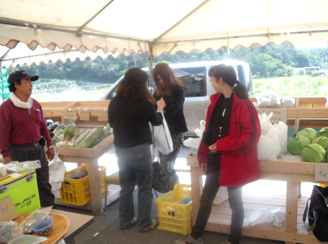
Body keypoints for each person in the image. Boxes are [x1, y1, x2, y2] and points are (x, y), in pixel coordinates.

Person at [176, 64, 261, 244]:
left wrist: (222, 145)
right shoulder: (215, 103)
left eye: (212, 80)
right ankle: (196, 236)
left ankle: (234, 240)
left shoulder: (244, 105)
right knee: (206, 198)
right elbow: (208, 132)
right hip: (216, 160)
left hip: (233, 162)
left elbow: (251, 136)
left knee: (235, 201)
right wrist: (203, 154)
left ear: (220, 80)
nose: (211, 84)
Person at [108, 67, 165, 232]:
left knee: (126, 187)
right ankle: (144, 223)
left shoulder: (115, 101)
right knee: (144, 187)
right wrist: (160, 108)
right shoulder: (144, 104)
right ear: (141, 84)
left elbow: (111, 124)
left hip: (120, 150)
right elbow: (157, 122)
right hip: (140, 150)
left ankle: (125, 221)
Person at [0, 70, 55, 207]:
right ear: (16, 85)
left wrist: (50, 145)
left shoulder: (35, 104)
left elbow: (43, 127)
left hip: (38, 149)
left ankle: (50, 210)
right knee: (24, 185)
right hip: (19, 152)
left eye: (31, 81)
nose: (31, 84)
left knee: (44, 183)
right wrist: (5, 155)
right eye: (27, 81)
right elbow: (3, 133)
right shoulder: (6, 107)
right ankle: (29, 214)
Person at [151, 62, 188, 191]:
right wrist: (161, 109)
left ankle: (176, 192)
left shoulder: (179, 90)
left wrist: (160, 108)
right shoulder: (157, 92)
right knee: (164, 165)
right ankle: (175, 192)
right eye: (158, 80)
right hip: (162, 133)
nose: (160, 82)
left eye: (162, 79)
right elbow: (155, 113)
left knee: (167, 165)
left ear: (168, 76)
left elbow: (171, 113)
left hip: (175, 132)